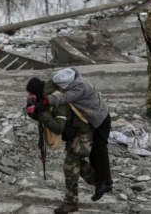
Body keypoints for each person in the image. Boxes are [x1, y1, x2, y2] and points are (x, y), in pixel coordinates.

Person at [26, 77, 96, 213]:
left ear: (37, 91)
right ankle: (100, 182)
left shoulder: (56, 99)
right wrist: (34, 112)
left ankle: (71, 203)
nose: (30, 97)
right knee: (77, 163)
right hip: (75, 132)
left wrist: (41, 111)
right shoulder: (44, 98)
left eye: (31, 94)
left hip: (83, 132)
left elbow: (58, 128)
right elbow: (47, 117)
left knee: (70, 166)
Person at [45, 68, 113, 201]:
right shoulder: (72, 79)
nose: (59, 88)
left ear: (67, 84)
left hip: (101, 119)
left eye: (61, 86)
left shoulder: (79, 87)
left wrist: (45, 101)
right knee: (94, 153)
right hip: (93, 119)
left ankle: (106, 182)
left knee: (100, 150)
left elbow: (64, 98)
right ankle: (101, 181)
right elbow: (52, 84)